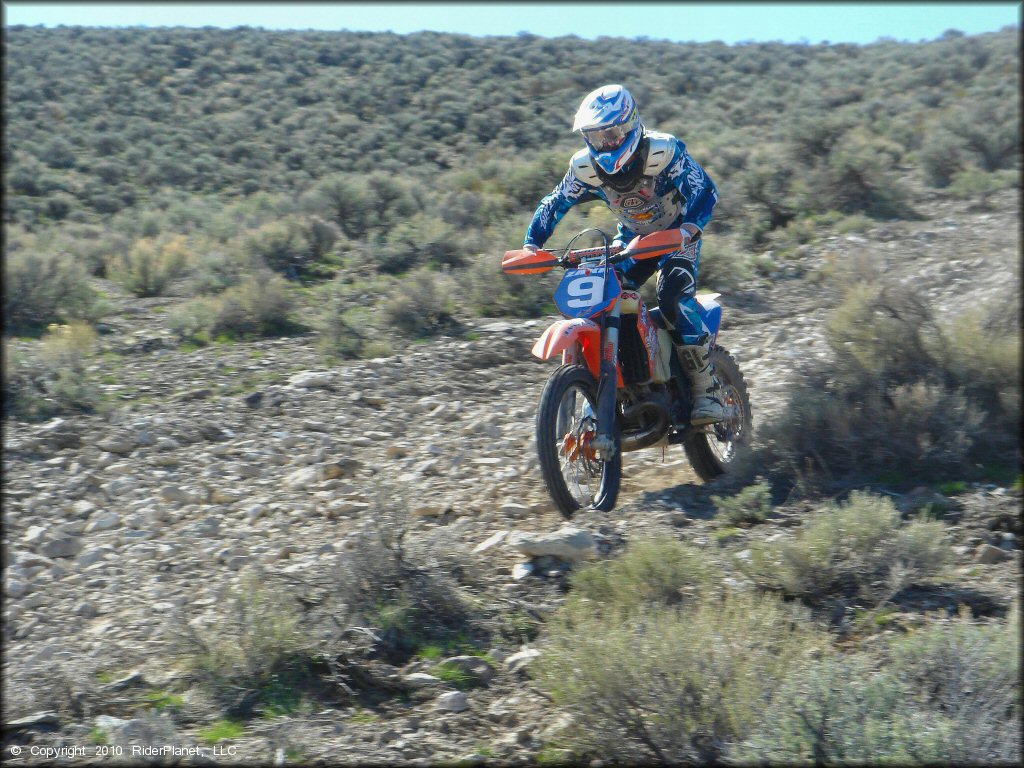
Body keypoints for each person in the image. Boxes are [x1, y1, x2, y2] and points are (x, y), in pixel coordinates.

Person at [523, 83, 724, 425]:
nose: (605, 143)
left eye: (612, 133)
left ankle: (707, 389)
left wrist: (690, 227)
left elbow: (703, 190)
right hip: (631, 242)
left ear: (631, 125)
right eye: (596, 137)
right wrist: (532, 243)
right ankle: (608, 390)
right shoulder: (584, 168)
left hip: (677, 236)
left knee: (673, 295)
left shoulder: (663, 152)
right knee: (600, 300)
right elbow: (555, 203)